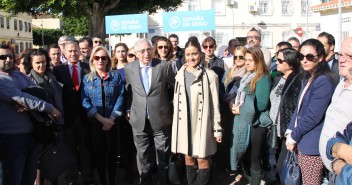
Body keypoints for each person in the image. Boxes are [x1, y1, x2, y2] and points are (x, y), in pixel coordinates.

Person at [0, 44, 61, 185]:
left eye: (10, 56)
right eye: (3, 57)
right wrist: (50, 109)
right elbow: (20, 97)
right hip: (11, 139)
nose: (7, 60)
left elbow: (39, 91)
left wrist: (30, 105)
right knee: (13, 179)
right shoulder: (1, 80)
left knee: (28, 178)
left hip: (32, 136)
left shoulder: (18, 75)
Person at [285, 39, 336, 185]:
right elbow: (299, 107)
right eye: (301, 57)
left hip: (312, 145)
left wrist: (294, 136)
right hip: (301, 140)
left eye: (309, 57)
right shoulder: (308, 76)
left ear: (320, 57)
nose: (304, 61)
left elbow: (313, 116)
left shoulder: (323, 80)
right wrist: (290, 130)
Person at [124, 38, 175, 185]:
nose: (146, 53)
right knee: (143, 157)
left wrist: (168, 108)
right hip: (139, 120)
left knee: (163, 158)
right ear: (136, 53)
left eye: (149, 50)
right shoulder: (129, 68)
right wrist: (128, 109)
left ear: (153, 50)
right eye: (142, 51)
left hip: (161, 119)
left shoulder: (164, 66)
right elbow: (128, 92)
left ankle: (163, 182)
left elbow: (174, 89)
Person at [171, 39, 222, 185]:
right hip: (184, 124)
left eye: (194, 54)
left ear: (200, 54)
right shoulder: (180, 74)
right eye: (188, 54)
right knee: (188, 157)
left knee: (202, 158)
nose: (191, 58)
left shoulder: (210, 75)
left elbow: (214, 105)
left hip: (202, 123)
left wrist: (217, 129)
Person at [81, 46, 124, 185]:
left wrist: (110, 119)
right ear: (92, 59)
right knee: (99, 156)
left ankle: (112, 181)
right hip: (96, 123)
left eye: (103, 57)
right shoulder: (87, 79)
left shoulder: (115, 76)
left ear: (108, 60)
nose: (100, 60)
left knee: (112, 155)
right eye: (97, 57)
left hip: (112, 123)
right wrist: (101, 119)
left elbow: (120, 97)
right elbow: (85, 101)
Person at [52, 40, 93, 184]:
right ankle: (72, 179)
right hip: (67, 118)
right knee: (69, 149)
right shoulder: (57, 71)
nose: (73, 53)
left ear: (80, 51)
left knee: (86, 149)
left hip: (85, 117)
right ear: (64, 52)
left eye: (75, 50)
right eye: (69, 51)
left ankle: (87, 178)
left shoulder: (88, 68)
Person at [230, 47, 271, 185]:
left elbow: (261, 104)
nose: (246, 63)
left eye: (250, 60)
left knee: (254, 156)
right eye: (245, 60)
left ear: (258, 61)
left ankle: (255, 182)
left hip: (257, 123)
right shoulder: (247, 77)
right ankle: (252, 180)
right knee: (245, 155)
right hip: (245, 121)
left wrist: (240, 109)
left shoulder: (262, 78)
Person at [23, 48, 64, 185]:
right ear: (31, 64)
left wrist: (57, 122)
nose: (42, 65)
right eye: (38, 63)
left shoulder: (51, 77)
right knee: (39, 164)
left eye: (44, 62)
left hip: (56, 124)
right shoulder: (27, 81)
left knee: (54, 161)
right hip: (39, 127)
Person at [320, 37, 352, 172]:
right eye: (340, 54)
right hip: (331, 169)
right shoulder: (342, 81)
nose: (342, 60)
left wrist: (340, 165)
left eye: (350, 56)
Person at [269, 48, 302, 178]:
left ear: (290, 63)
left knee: (282, 166)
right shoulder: (277, 77)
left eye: (280, 60)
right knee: (277, 162)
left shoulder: (298, 80)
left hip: (287, 130)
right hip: (274, 129)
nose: (276, 62)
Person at [222, 46, 247, 178]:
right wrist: (228, 101)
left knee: (240, 141)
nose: (237, 59)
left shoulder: (248, 73)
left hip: (240, 112)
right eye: (235, 57)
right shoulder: (229, 72)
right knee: (229, 140)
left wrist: (235, 104)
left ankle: (241, 167)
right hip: (227, 110)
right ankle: (231, 165)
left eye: (240, 57)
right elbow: (222, 89)